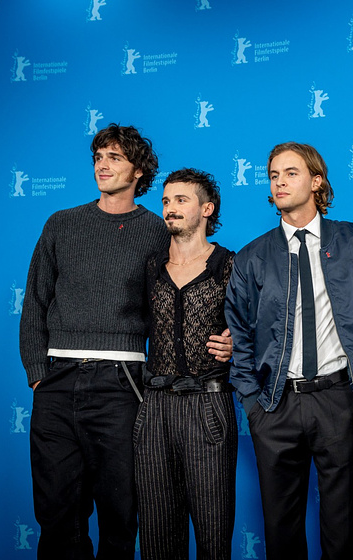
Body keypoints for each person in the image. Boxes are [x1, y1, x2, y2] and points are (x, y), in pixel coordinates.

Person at [19, 124, 230, 559]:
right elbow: (35, 300)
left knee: (121, 513)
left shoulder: (158, 230)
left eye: (114, 157)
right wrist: (39, 374)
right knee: (57, 512)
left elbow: (186, 292)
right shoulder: (61, 224)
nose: (102, 164)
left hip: (123, 383)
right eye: (98, 156)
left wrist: (227, 341)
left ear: (138, 171)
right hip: (57, 381)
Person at [225, 142, 353, 559]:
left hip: (338, 401)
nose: (279, 182)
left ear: (316, 181)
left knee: (343, 527)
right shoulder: (252, 257)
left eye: (290, 173)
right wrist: (253, 403)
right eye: (273, 175)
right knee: (280, 528)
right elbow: (238, 333)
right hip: (276, 404)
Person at [134, 168, 236, 559]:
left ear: (207, 208)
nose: (170, 208)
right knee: (157, 536)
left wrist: (236, 346)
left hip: (208, 406)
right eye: (165, 200)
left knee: (213, 535)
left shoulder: (230, 264)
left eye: (181, 200)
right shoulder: (149, 268)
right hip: (154, 407)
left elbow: (259, 326)